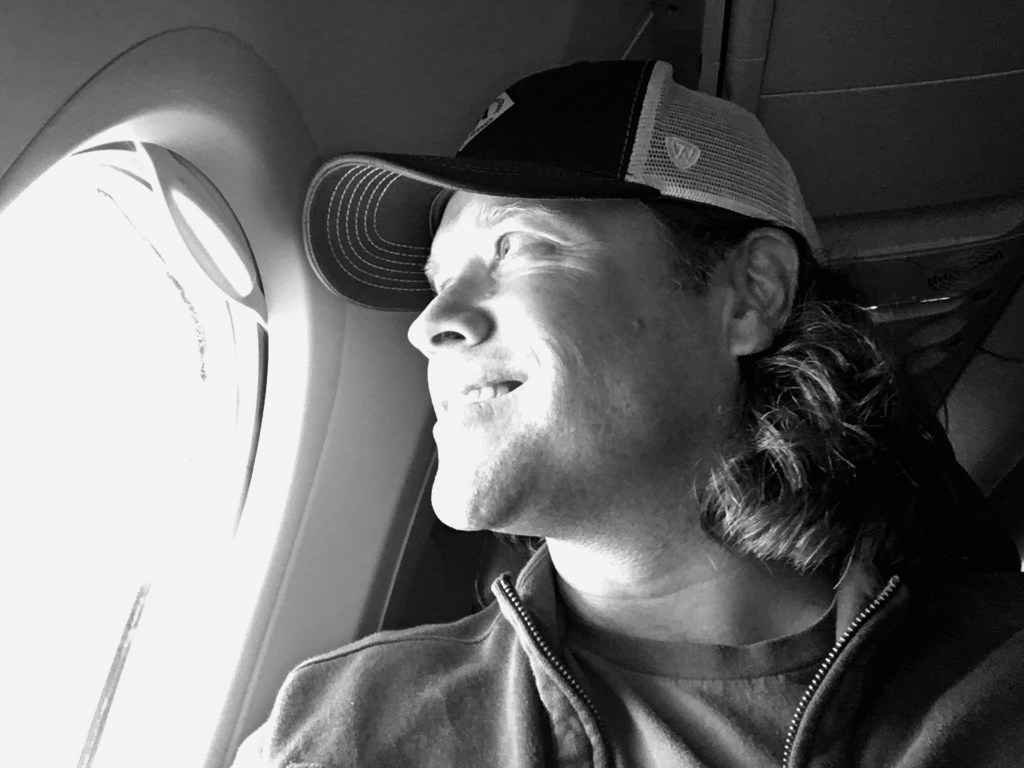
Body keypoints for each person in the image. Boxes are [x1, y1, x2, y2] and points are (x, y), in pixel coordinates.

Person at [234, 60, 1024, 767]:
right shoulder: (347, 730)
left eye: (516, 246)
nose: (429, 323)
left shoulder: (998, 694)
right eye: (439, 280)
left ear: (750, 295)